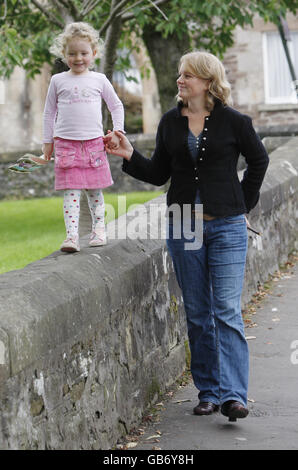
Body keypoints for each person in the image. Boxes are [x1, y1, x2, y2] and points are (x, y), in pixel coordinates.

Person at [104, 51, 269, 422]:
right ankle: (208, 391)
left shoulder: (234, 122)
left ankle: (233, 395)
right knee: (198, 312)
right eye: (179, 75)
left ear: (208, 81)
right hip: (183, 225)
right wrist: (129, 154)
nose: (181, 81)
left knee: (226, 311)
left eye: (188, 76)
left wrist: (242, 203)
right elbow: (159, 172)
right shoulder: (169, 123)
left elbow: (259, 161)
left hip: (226, 226)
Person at [43, 22, 125, 253]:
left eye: (83, 53)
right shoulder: (57, 81)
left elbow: (116, 106)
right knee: (71, 192)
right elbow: (49, 112)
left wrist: (117, 132)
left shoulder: (99, 80)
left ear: (94, 53)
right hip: (65, 144)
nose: (78, 58)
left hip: (93, 145)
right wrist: (47, 142)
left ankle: (99, 230)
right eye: (72, 54)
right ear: (64, 54)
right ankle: (72, 237)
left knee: (94, 190)